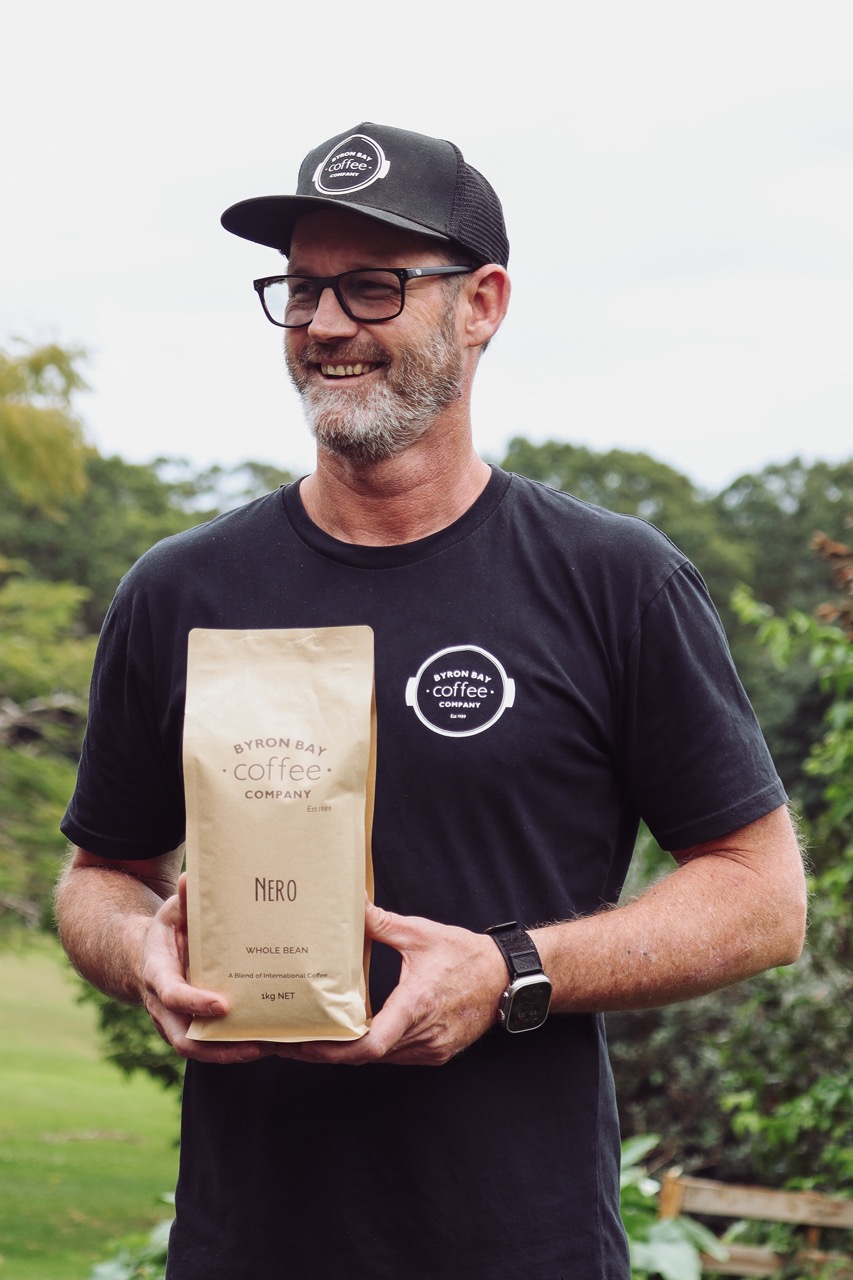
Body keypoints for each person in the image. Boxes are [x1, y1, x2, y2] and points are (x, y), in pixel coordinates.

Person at [56, 122, 806, 1280]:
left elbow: (762, 897)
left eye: (371, 286)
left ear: (483, 302)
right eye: (301, 290)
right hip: (245, 1247)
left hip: (525, 1247)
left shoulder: (612, 580)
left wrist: (511, 969)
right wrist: (139, 945)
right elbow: (97, 876)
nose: (324, 326)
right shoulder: (181, 589)